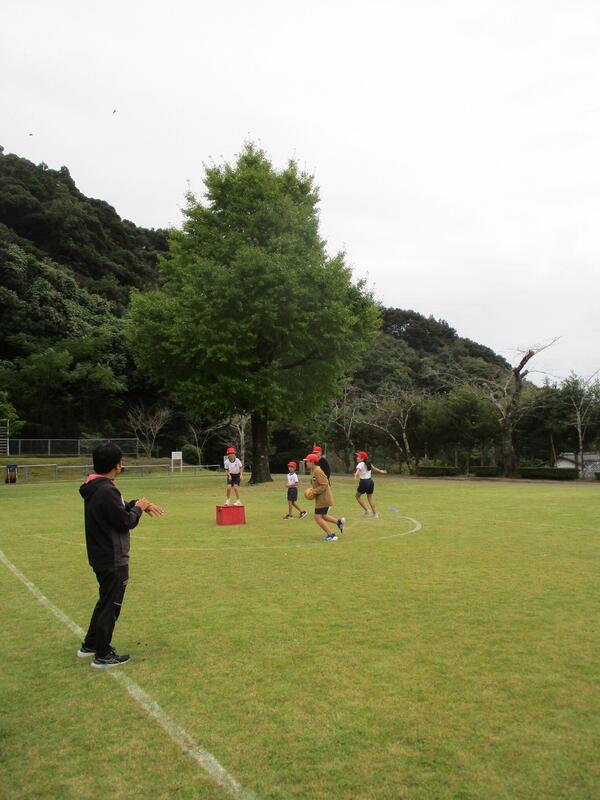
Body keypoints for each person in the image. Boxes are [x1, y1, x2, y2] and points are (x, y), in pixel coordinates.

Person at [78, 441, 164, 669]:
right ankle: (103, 654)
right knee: (111, 605)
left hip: (101, 555)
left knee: (105, 601)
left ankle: (90, 644)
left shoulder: (96, 486)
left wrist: (137, 504)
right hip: (112, 557)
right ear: (117, 465)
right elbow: (126, 521)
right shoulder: (107, 489)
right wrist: (138, 508)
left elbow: (118, 508)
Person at [304, 453, 344, 541]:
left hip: (324, 498)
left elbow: (324, 484)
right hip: (321, 498)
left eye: (307, 461)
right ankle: (339, 522)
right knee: (323, 516)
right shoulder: (314, 470)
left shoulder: (318, 471)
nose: (306, 463)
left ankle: (331, 535)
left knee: (318, 517)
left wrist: (313, 491)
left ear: (312, 462)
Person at [354, 450, 387, 518]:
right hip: (370, 482)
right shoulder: (368, 463)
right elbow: (374, 468)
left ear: (362, 458)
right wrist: (381, 471)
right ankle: (375, 514)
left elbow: (358, 471)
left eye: (358, 456)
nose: (357, 458)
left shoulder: (361, 464)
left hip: (364, 482)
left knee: (357, 496)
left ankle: (366, 510)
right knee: (370, 497)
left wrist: (355, 475)